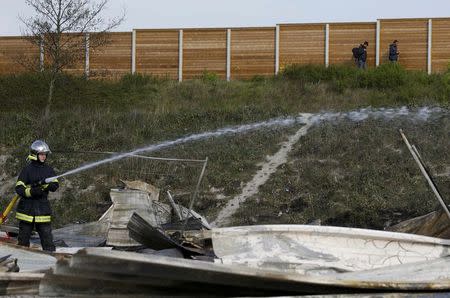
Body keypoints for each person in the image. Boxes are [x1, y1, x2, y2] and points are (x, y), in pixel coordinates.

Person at [15, 140, 59, 252]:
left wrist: (48, 186)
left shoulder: (48, 170)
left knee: (48, 241)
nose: (44, 157)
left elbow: (55, 184)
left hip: (42, 210)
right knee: (23, 243)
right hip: (27, 211)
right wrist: (31, 192)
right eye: (42, 154)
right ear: (35, 155)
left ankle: (52, 262)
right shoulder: (27, 170)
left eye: (45, 154)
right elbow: (19, 188)